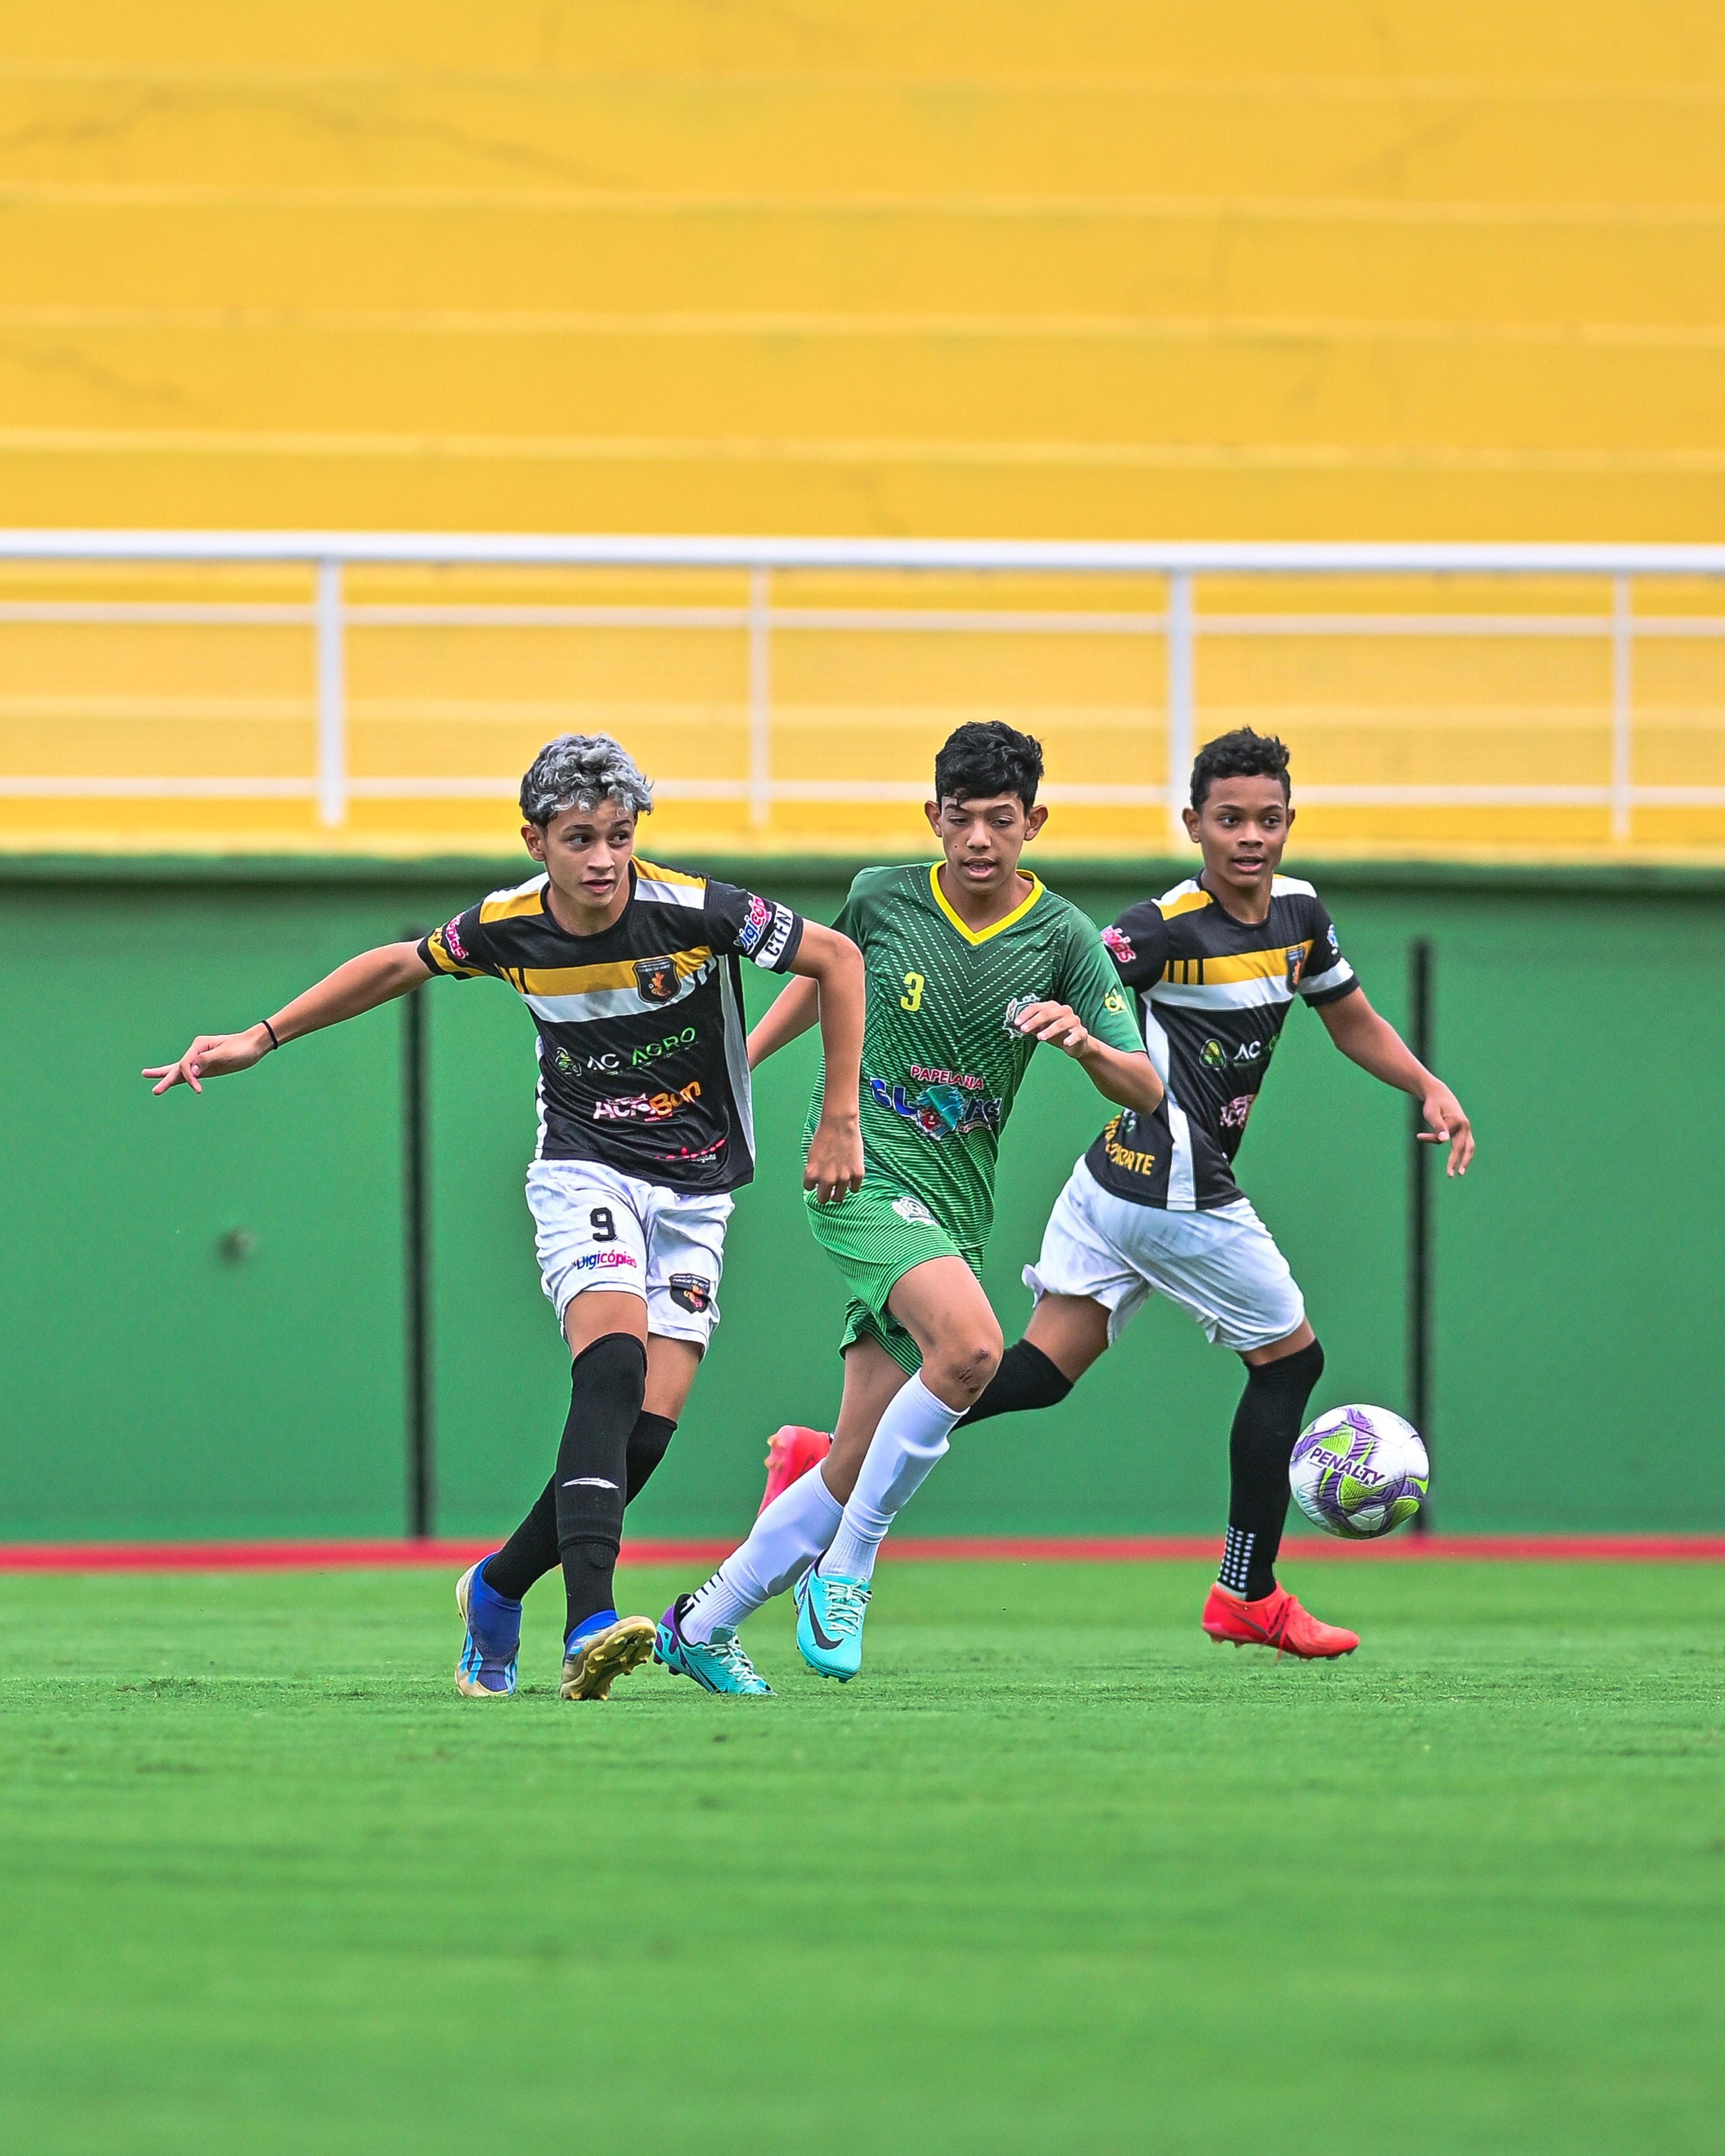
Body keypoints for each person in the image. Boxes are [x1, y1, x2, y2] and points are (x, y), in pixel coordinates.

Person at [144, 733, 866, 1702]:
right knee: (609, 1364)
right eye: (579, 839)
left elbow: (836, 956)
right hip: (585, 1169)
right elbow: (396, 965)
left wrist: (839, 1117)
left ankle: (496, 1586)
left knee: (644, 1434)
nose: (603, 858)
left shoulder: (695, 910)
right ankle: (591, 1625)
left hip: (696, 1188)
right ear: (536, 842)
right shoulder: (505, 927)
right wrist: (261, 1037)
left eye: (619, 835)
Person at [768, 727, 1474, 1660]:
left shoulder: (1301, 916)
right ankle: (1246, 1593)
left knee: (1039, 1374)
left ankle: (832, 1459)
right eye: (1229, 820)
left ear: (1291, 823)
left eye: (1267, 819)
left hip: (1110, 1184)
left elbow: (1351, 1018)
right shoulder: (1158, 926)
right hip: (1174, 1184)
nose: (1249, 838)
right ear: (1194, 824)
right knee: (1292, 1363)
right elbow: (1078, 968)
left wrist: (1425, 1084)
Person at [655, 720, 1165, 1693]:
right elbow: (825, 977)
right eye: (962, 818)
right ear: (933, 816)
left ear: (1035, 823)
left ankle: (702, 1621)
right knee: (974, 1350)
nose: (979, 839)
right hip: (859, 1174)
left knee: (852, 1457)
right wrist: (744, 1071)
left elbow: (1145, 1089)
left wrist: (1086, 1046)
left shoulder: (1061, 938)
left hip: (954, 1207)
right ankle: (847, 1571)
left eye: (1002, 821)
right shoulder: (882, 896)